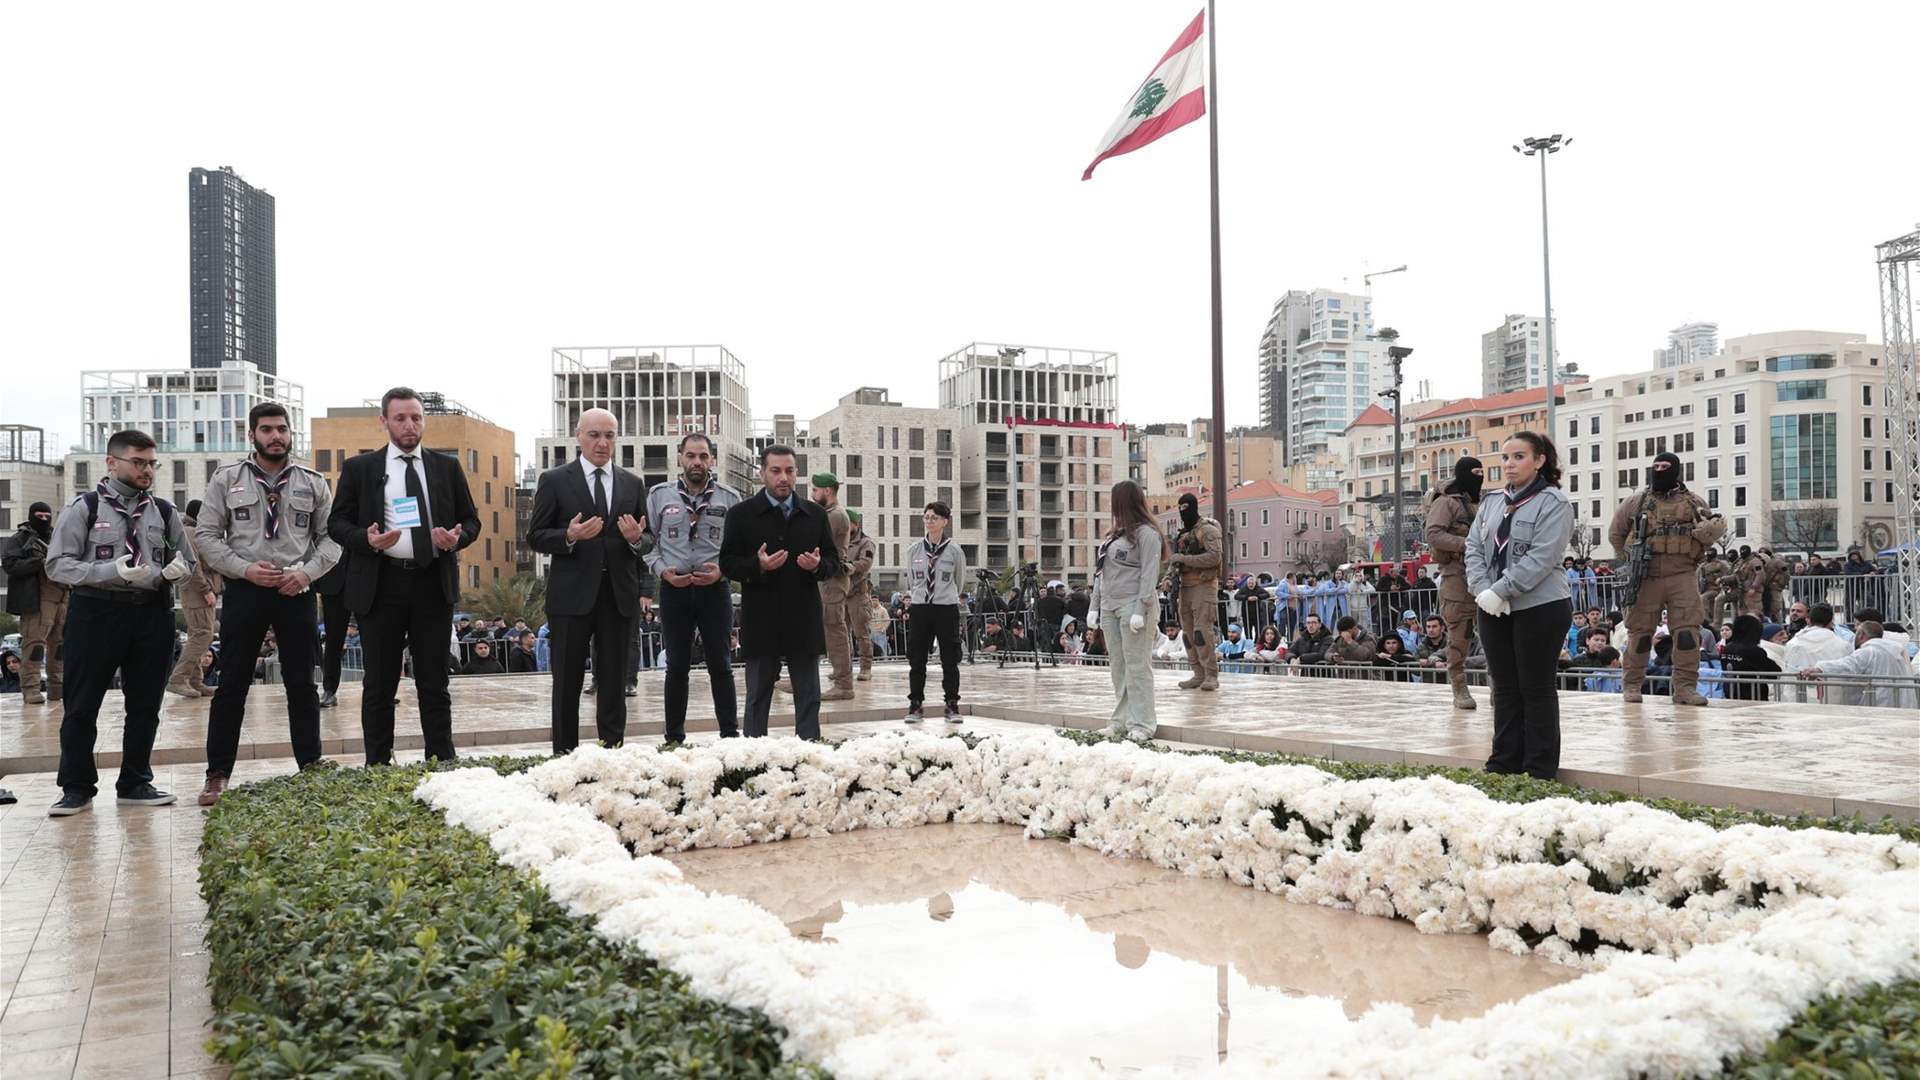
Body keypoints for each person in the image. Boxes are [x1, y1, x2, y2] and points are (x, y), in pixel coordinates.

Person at [193, 404, 343, 804]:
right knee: (231, 685)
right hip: (246, 589)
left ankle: (310, 767)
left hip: (296, 591)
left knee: (301, 685)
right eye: (267, 430)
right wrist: (243, 569)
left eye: (281, 429)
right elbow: (206, 536)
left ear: (290, 434)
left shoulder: (312, 482)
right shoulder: (226, 480)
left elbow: (332, 538)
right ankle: (217, 774)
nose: (275, 436)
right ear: (252, 435)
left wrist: (307, 573)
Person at [327, 387, 482, 767]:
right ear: (384, 422)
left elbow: (472, 520)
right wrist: (367, 538)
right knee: (379, 683)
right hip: (381, 585)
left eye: (416, 417)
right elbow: (336, 523)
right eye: (400, 418)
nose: (410, 425)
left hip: (432, 581)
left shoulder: (446, 467)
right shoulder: (361, 469)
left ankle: (442, 761)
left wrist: (456, 537)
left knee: (434, 682)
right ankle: (378, 764)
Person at [44, 428, 190, 816]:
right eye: (138, 463)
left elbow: (187, 560)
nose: (147, 471)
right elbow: (57, 564)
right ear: (112, 463)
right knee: (81, 704)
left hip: (153, 612)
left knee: (145, 704)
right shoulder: (85, 508)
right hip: (97, 612)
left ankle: (136, 781)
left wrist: (177, 570)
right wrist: (111, 570)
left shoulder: (163, 511)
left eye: (151, 463)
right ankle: (76, 787)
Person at [526, 407, 648, 753]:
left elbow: (648, 538)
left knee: (613, 681)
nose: (602, 443)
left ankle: (612, 751)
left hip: (617, 596)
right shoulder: (555, 480)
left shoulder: (632, 483)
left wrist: (637, 538)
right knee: (567, 681)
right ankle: (564, 754)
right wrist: (569, 535)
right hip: (571, 597)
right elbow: (535, 536)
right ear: (579, 436)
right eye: (594, 435)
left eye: (609, 435)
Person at [1465, 432, 1573, 781]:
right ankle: (1504, 760)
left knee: (1535, 686)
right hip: (1493, 606)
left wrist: (1502, 589)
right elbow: (1474, 549)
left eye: (1519, 457)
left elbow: (1543, 557)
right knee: (1505, 686)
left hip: (1539, 606)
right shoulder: (1493, 502)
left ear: (1540, 460)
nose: (1510, 464)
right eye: (1506, 458)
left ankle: (1539, 767)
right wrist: (1484, 591)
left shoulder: (1553, 503)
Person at [720, 444, 842, 739]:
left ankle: (810, 754)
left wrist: (816, 566)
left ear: (797, 473)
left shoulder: (814, 514)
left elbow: (832, 563)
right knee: (758, 698)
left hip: (804, 619)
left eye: (789, 471)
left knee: (809, 697)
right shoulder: (741, 514)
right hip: (762, 619)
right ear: (763, 474)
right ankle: (753, 759)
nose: (783, 478)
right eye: (775, 471)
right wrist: (757, 565)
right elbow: (727, 563)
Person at [644, 433, 743, 744]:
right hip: (674, 591)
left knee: (720, 664)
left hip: (715, 590)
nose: (697, 462)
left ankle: (729, 735)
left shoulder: (730, 498)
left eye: (703, 456)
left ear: (712, 459)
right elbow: (648, 544)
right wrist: (663, 573)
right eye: (690, 456)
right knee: (676, 665)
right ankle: (673, 737)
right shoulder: (659, 496)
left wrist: (723, 572)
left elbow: (739, 548)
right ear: (680, 459)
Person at [1607, 452, 1725, 705]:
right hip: (1646, 576)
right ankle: (1632, 686)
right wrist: (1631, 559)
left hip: (1682, 574)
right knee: (1639, 635)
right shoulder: (1636, 502)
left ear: (1676, 470)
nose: (1659, 470)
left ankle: (1684, 689)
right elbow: (1616, 534)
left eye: (1665, 466)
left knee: (1687, 635)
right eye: (1655, 466)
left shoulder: (1694, 502)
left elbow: (1710, 532)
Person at [1090, 480, 1166, 741]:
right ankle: (1120, 720)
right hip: (1110, 606)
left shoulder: (1147, 535)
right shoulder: (1113, 536)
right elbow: (1101, 573)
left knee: (1137, 666)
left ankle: (1143, 723)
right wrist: (1094, 606)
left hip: (1134, 605)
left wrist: (1140, 607)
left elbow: (1149, 574)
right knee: (1118, 667)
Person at [1423, 456, 1485, 710]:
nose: (1479, 477)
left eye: (1482, 472)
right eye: (1475, 473)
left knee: (1496, 638)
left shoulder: (1483, 504)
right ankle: (1459, 687)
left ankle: (1499, 689)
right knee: (1459, 637)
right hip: (1457, 577)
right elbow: (1433, 534)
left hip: (1486, 577)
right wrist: (1468, 545)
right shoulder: (1448, 503)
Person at [903, 501, 967, 723]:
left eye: (935, 517)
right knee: (917, 658)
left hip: (945, 608)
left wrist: (944, 596)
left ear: (945, 522)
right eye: (927, 517)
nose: (929, 521)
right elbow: (912, 580)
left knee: (950, 658)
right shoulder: (914, 550)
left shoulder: (954, 551)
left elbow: (959, 582)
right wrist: (922, 597)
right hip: (921, 607)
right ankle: (915, 705)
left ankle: (951, 705)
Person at [2, 501, 65, 705]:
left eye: (47, 516)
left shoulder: (57, 537)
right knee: (35, 646)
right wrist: (38, 562)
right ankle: (31, 688)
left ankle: (58, 688)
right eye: (40, 516)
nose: (44, 520)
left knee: (60, 647)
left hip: (63, 597)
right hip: (36, 600)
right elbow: (10, 564)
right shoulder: (20, 539)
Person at [161, 499, 222, 700]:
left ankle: (196, 681)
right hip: (198, 591)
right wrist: (206, 589)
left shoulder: (190, 531)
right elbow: (194, 566)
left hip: (197, 590)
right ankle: (178, 679)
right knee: (203, 634)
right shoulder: (191, 533)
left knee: (199, 634)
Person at [1165, 492, 1223, 691]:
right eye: (1180, 508)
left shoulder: (1208, 531)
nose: (1183, 512)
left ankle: (1211, 674)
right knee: (1188, 635)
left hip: (1204, 585)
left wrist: (1185, 560)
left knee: (1202, 632)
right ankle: (1198, 673)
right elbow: (1175, 561)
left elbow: (1214, 557)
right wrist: (1167, 578)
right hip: (1185, 587)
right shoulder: (1182, 535)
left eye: (1186, 508)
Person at [1798, 621, 1915, 709]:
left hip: (1878, 703)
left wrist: (1819, 668)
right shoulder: (1895, 651)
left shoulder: (1869, 651)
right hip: (1896, 702)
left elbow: (1847, 665)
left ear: (1861, 635)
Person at [1782, 603, 1853, 703]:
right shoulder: (1842, 645)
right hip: (1832, 701)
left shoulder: (1792, 643)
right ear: (1831, 621)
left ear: (1808, 620)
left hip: (1797, 700)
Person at [843, 510, 877, 680]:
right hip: (841, 594)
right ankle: (843, 669)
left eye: (849, 523)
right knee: (842, 635)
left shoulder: (866, 543)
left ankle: (865, 668)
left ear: (856, 524)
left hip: (857, 593)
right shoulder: (838, 541)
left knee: (861, 633)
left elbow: (866, 562)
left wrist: (850, 567)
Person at [311, 560, 348, 708]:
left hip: (364, 581)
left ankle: (381, 688)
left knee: (372, 641)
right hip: (333, 583)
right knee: (333, 641)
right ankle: (329, 690)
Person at [1721, 614, 1782, 700]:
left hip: (1731, 693)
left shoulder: (1727, 648)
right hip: (1753, 696)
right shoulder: (1753, 650)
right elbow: (1774, 671)